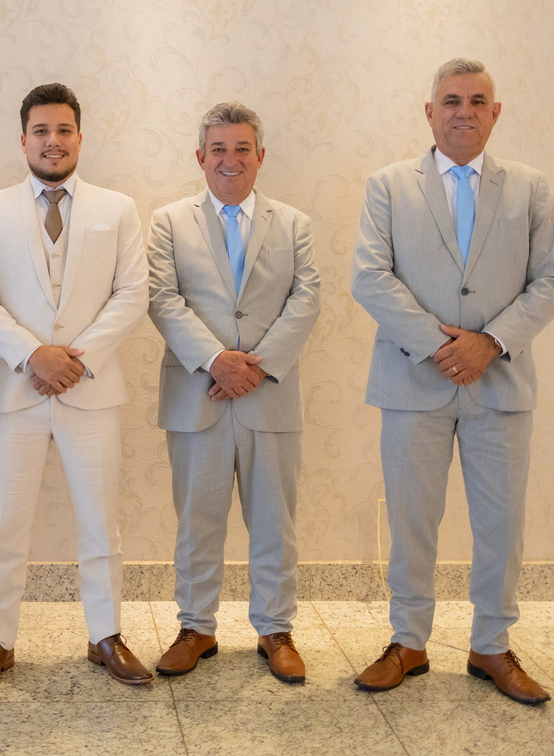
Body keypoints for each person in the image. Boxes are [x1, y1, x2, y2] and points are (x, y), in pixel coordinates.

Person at [350, 58, 554, 705]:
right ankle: (407, 642)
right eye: (451, 100)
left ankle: (492, 646)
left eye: (477, 101)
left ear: (495, 113)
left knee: (501, 524)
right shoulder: (389, 186)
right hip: (411, 381)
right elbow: (370, 276)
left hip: (500, 385)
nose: (463, 112)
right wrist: (441, 347)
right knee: (412, 519)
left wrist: (490, 343)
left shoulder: (529, 188)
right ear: (430, 112)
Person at [0, 83, 152, 691]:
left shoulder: (118, 208)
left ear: (80, 137)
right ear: (23, 140)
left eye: (64, 130)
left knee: (99, 522)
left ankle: (105, 635)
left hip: (90, 389)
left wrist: (74, 361)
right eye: (41, 131)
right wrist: (33, 356)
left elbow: (132, 293)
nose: (53, 141)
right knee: (3, 524)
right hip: (15, 391)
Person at [147, 102, 321, 682]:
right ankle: (196, 627)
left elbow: (306, 299)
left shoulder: (293, 224)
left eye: (242, 148)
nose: (230, 159)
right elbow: (162, 298)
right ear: (200, 157)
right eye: (218, 149)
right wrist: (217, 361)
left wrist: (255, 368)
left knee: (275, 521)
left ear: (260, 155)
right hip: (197, 395)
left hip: (270, 395)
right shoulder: (169, 222)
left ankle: (275, 629)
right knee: (197, 521)